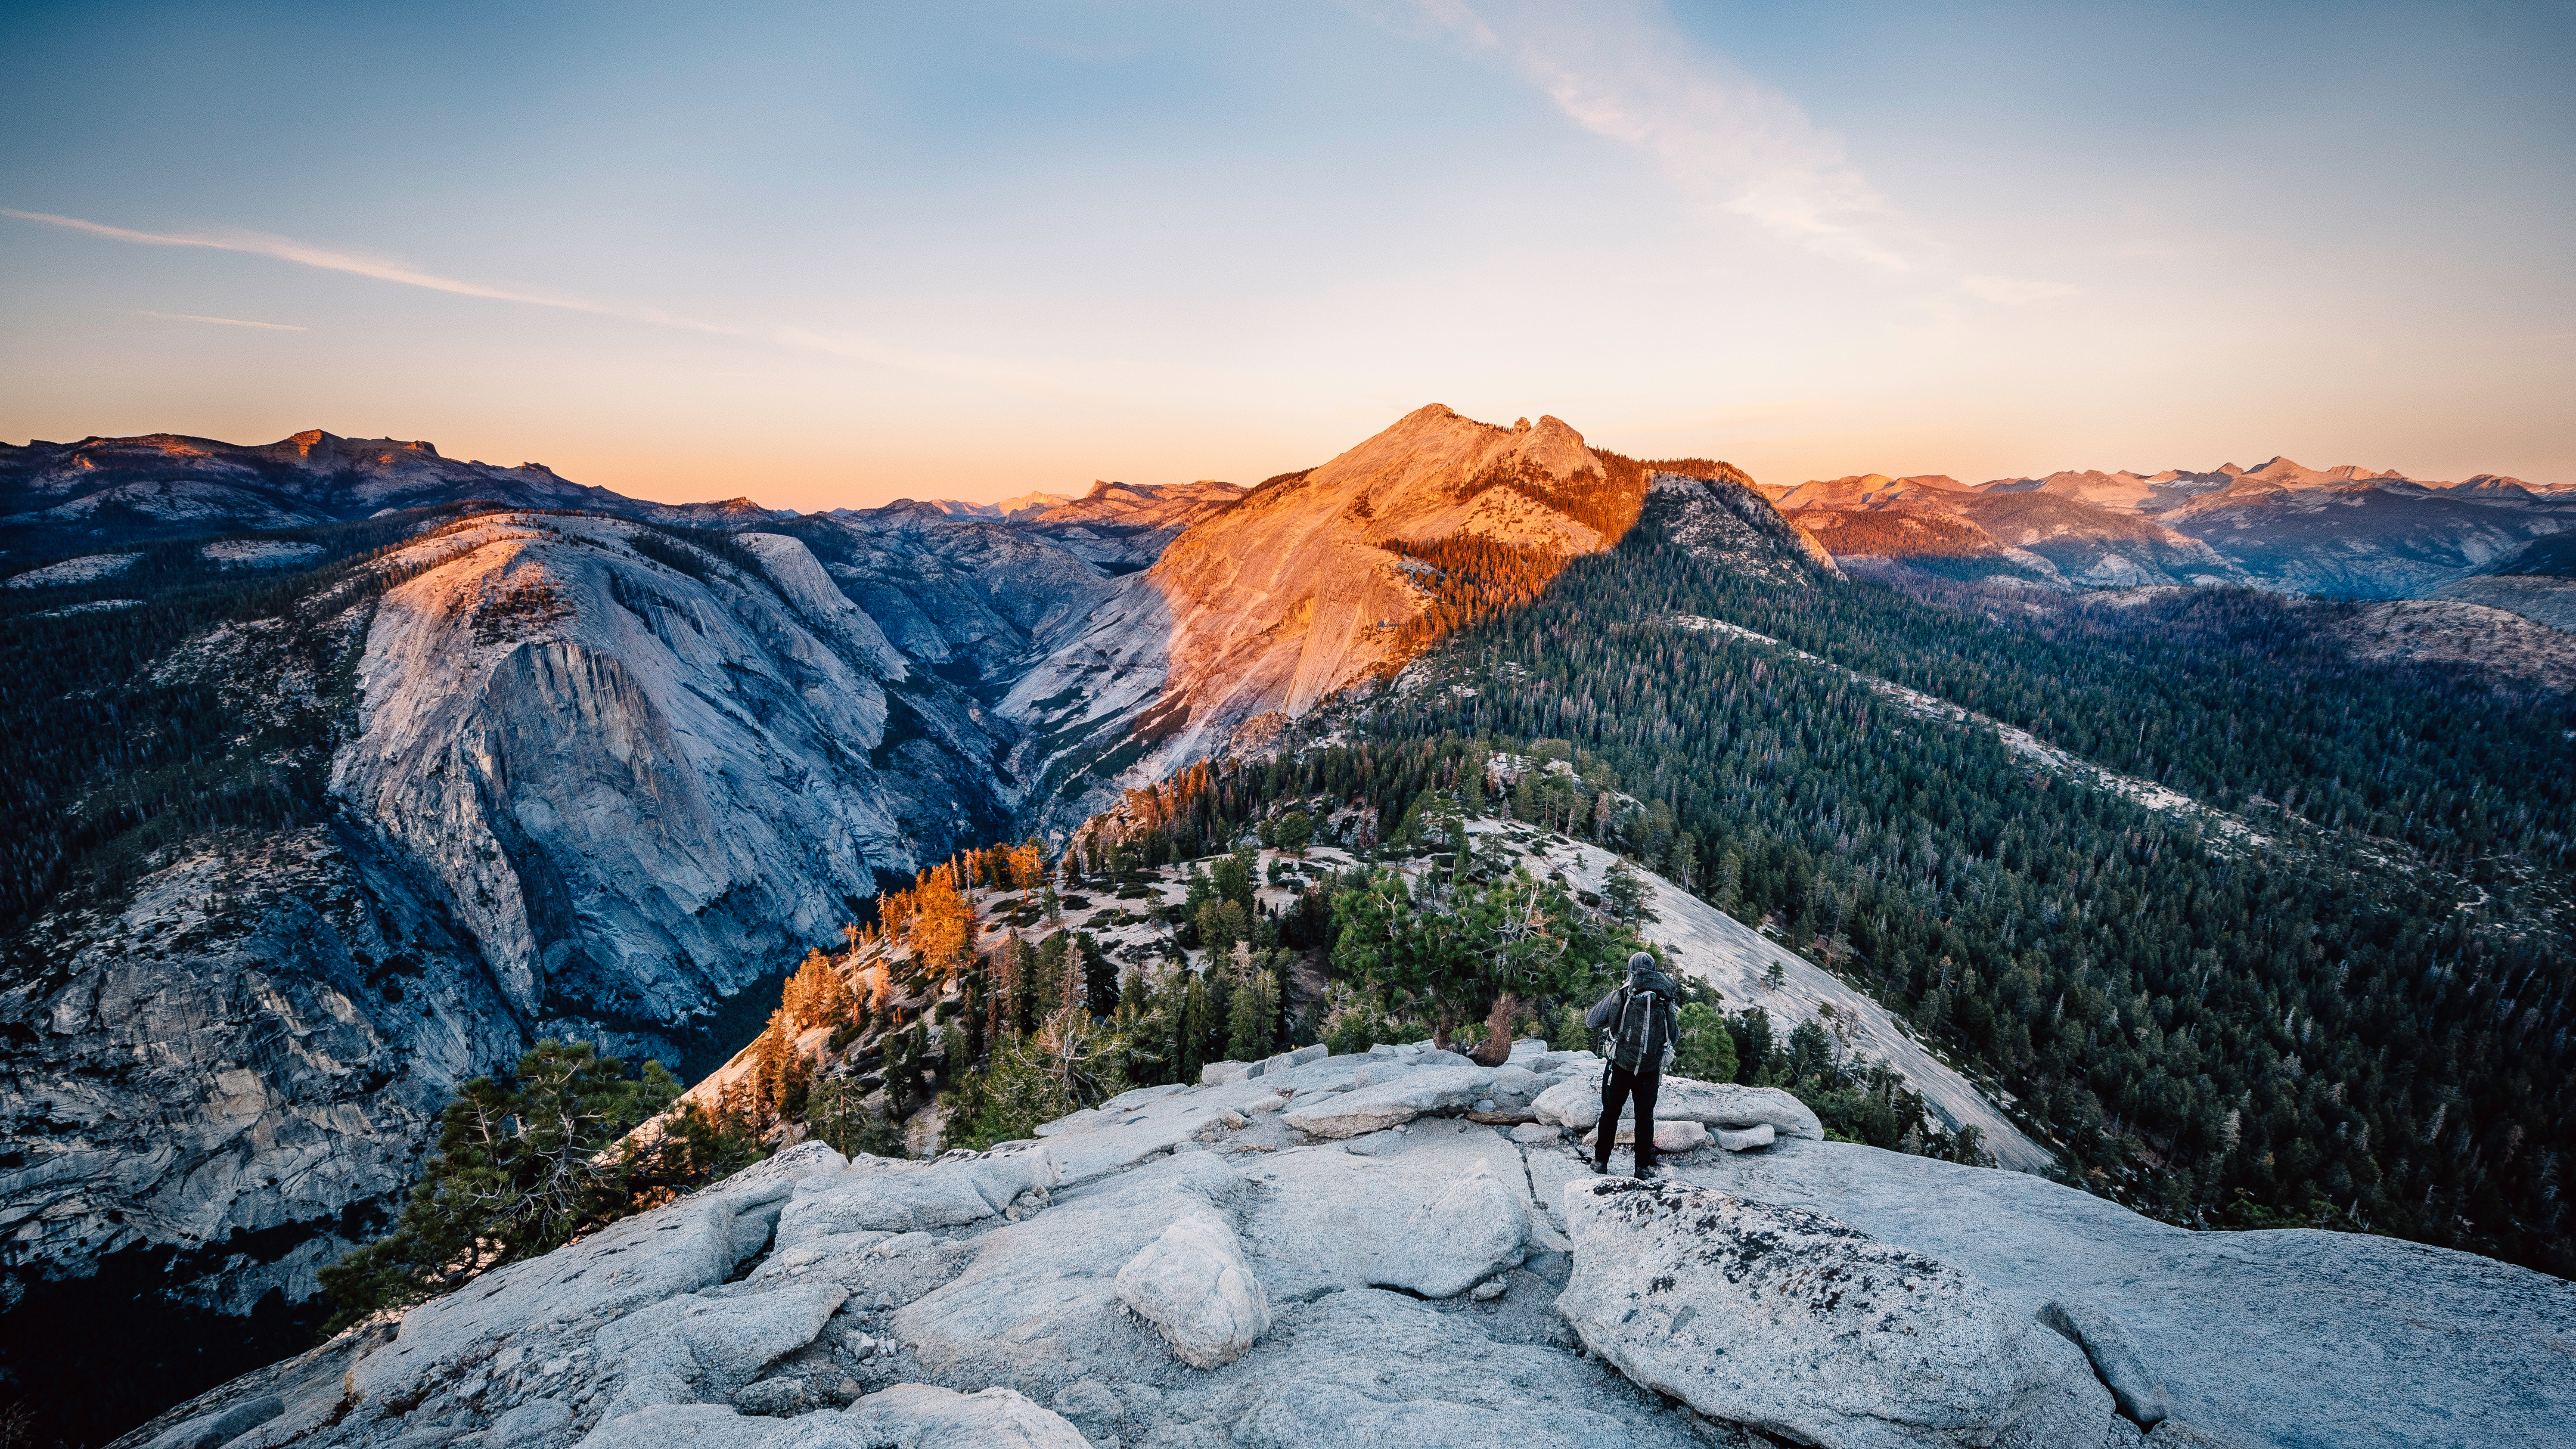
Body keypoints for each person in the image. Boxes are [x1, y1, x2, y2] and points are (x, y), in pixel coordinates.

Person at [1586, 950, 1681, 1178]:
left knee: (1610, 1114)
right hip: (1650, 1071)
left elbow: (1591, 1021)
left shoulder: (1620, 995)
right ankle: (1642, 1168)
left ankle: (1601, 1162)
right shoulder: (1664, 1000)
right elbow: (1674, 1037)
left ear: (1630, 970)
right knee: (1645, 1118)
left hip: (1621, 1066)